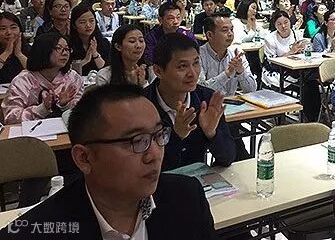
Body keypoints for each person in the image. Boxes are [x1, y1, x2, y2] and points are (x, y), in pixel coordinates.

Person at [0, 84, 218, 239]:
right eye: (136, 141)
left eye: (159, 135)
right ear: (84, 158)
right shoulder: (35, 232)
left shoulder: (187, 198)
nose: (154, 155)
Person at [145, 34, 236, 170]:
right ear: (158, 71)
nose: (192, 73)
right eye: (182, 66)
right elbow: (145, 167)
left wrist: (211, 133)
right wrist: (177, 136)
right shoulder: (141, 105)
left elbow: (228, 158)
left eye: (196, 63)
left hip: (198, 180)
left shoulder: (206, 100)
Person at [1, 32, 83, 124]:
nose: (65, 53)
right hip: (31, 132)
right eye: (59, 48)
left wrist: (64, 105)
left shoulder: (73, 78)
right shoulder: (23, 81)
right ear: (43, 50)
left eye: (67, 49)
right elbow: (10, 118)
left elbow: (81, 112)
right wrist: (42, 109)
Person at [262, 10, 321, 121]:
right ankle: (309, 118)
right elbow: (272, 62)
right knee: (305, 87)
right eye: (279, 24)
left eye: (286, 22)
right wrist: (291, 52)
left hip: (296, 69)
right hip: (277, 72)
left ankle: (316, 118)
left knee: (313, 84)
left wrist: (302, 50)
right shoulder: (270, 38)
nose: (283, 26)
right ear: (275, 25)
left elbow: (304, 51)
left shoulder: (296, 34)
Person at [199, 15, 256, 96]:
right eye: (225, 30)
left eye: (231, 29)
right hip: (207, 103)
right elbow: (200, 91)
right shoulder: (198, 56)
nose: (230, 34)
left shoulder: (237, 54)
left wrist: (241, 71)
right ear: (210, 35)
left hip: (232, 102)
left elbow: (252, 90)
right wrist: (227, 74)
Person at [70, 4, 110, 76]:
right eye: (82, 22)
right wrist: (85, 60)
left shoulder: (104, 43)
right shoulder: (68, 44)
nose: (88, 25)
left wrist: (95, 54)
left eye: (91, 21)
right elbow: (68, 72)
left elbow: (106, 70)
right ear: (74, 25)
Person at [0, 13, 29, 84]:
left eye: (13, 28)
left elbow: (36, 74)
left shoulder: (28, 48)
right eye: (3, 29)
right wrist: (6, 53)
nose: (9, 32)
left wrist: (19, 54)